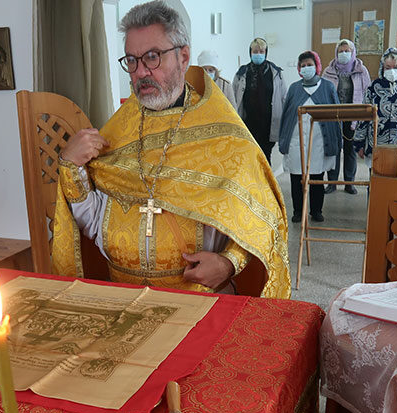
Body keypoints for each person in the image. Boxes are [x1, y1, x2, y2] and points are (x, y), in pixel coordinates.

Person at [52, 1, 291, 299]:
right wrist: (71, 166)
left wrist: (230, 263)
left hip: (200, 299)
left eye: (152, 57)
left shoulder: (225, 138)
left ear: (183, 57)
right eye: (131, 60)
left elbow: (260, 217)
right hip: (123, 298)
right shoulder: (115, 135)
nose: (140, 72)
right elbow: (95, 220)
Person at [278, 51, 342, 223]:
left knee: (316, 176)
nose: (306, 68)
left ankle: (316, 210)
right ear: (299, 69)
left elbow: (336, 115)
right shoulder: (294, 88)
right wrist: (282, 140)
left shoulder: (327, 87)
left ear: (317, 66)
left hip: (319, 141)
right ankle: (298, 211)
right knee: (296, 177)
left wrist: (337, 140)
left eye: (309, 64)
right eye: (303, 65)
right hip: (296, 140)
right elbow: (286, 116)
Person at [321, 39, 371, 194]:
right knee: (334, 149)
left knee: (350, 149)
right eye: (341, 51)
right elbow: (323, 93)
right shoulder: (328, 71)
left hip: (353, 116)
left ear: (353, 52)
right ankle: (332, 182)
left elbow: (367, 93)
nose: (344, 54)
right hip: (333, 116)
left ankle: (349, 182)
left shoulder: (361, 70)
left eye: (347, 50)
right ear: (336, 53)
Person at [232, 37, 288, 165]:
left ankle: (267, 184)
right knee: (250, 155)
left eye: (261, 52)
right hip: (248, 122)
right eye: (255, 51)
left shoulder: (276, 72)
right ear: (250, 53)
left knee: (265, 155)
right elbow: (234, 97)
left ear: (266, 53)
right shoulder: (242, 73)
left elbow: (283, 97)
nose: (258, 54)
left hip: (268, 123)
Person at [353, 48, 397, 160]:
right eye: (388, 67)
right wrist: (359, 143)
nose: (391, 71)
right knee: (376, 175)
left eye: (395, 67)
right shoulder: (373, 87)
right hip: (376, 142)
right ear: (382, 68)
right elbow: (364, 116)